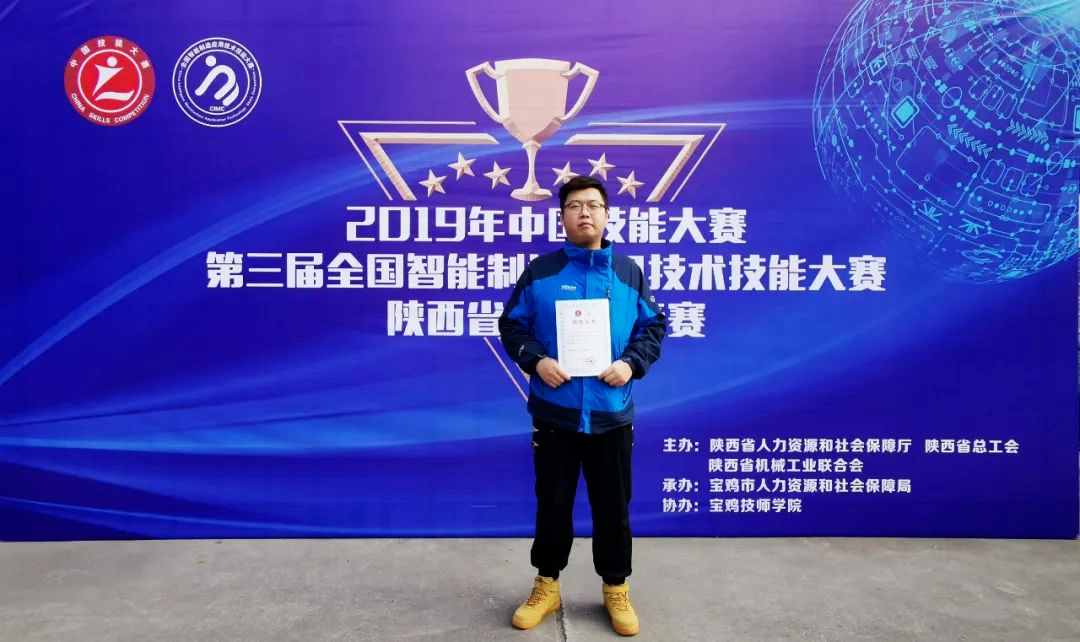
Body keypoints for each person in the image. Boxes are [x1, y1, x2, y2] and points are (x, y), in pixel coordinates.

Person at [499, 175, 666, 636]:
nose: (584, 213)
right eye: (574, 206)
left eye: (593, 205)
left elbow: (653, 328)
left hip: (612, 414)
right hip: (556, 414)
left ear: (607, 215)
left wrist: (630, 364)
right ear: (562, 217)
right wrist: (537, 360)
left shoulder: (628, 272)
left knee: (613, 508)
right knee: (552, 505)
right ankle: (546, 585)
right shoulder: (541, 272)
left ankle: (616, 587)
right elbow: (512, 325)